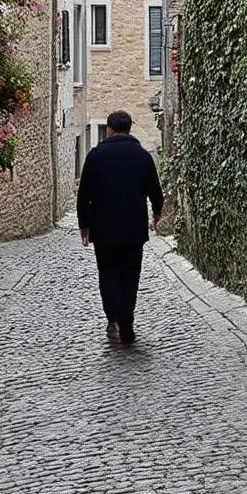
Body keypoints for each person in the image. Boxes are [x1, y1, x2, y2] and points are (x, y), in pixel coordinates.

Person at [77, 110, 163, 344]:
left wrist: (84, 224)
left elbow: (84, 194)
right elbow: (155, 190)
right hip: (133, 230)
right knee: (130, 276)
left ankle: (112, 319)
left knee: (107, 275)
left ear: (110, 129)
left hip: (103, 229)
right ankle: (127, 323)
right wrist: (156, 212)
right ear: (129, 128)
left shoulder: (95, 156)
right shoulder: (142, 156)